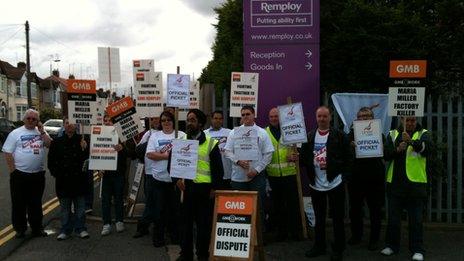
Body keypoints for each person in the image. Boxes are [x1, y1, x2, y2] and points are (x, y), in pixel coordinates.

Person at [300, 106, 350, 261]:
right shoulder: (309, 136)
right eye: (319, 116)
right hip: (316, 184)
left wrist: (337, 171)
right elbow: (304, 160)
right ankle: (319, 246)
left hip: (335, 182)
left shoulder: (340, 136)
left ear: (330, 117)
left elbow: (348, 159)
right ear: (316, 118)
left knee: (337, 218)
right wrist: (297, 158)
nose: (322, 119)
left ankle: (338, 248)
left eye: (325, 116)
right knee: (319, 218)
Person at [176, 109, 224, 261]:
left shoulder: (211, 143)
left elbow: (218, 170)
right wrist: (176, 180)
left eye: (192, 120)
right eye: (188, 120)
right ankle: (186, 254)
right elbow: (173, 165)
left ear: (200, 123)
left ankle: (202, 254)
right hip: (187, 189)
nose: (189, 123)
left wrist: (214, 188)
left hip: (204, 191)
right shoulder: (181, 142)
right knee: (185, 225)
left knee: (204, 226)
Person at [381, 117, 429, 261]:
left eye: (412, 120)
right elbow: (385, 154)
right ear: (402, 120)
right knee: (393, 219)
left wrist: (411, 142)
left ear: (416, 120)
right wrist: (397, 149)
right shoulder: (392, 134)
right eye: (407, 120)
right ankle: (391, 246)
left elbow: (427, 150)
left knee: (416, 220)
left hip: (415, 184)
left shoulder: (423, 133)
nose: (409, 123)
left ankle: (417, 249)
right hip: (395, 183)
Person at [2, 109, 52, 238]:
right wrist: (13, 171)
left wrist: (42, 130)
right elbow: (7, 152)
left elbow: (49, 144)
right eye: (28, 118)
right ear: (24, 119)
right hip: (20, 175)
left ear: (37, 121)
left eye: (34, 119)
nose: (31, 121)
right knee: (19, 203)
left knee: (35, 203)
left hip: (37, 175)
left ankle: (37, 228)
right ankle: (20, 229)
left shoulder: (40, 132)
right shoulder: (15, 133)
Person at [224, 105, 274, 230]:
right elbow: (227, 151)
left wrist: (256, 170)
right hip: (238, 177)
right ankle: (241, 236)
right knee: (240, 207)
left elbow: (268, 154)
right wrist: (238, 161)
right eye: (243, 114)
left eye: (248, 114)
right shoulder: (234, 132)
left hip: (256, 176)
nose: (245, 116)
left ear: (253, 115)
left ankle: (259, 237)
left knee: (258, 207)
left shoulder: (262, 133)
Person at [144, 111, 186, 247]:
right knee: (160, 211)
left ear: (173, 121)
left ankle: (175, 237)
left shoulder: (181, 135)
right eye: (163, 120)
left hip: (177, 180)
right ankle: (158, 238)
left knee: (176, 211)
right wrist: (168, 156)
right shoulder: (155, 136)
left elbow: (188, 154)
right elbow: (150, 154)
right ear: (160, 123)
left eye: (169, 120)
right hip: (159, 179)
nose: (166, 122)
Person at [347, 107, 385, 250]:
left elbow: (385, 151)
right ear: (357, 119)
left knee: (375, 210)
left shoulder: (379, 134)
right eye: (361, 116)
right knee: (355, 209)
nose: (364, 118)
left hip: (374, 178)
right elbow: (344, 150)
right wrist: (350, 145)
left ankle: (374, 239)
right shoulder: (350, 135)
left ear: (372, 118)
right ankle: (356, 236)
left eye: (367, 116)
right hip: (356, 178)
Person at [48, 117, 90, 240]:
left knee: (80, 208)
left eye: (72, 123)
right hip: (63, 181)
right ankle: (65, 230)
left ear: (76, 126)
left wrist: (85, 148)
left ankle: (81, 228)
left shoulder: (82, 140)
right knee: (65, 209)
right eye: (67, 123)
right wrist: (56, 173)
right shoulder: (57, 142)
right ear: (64, 125)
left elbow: (89, 159)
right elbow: (51, 161)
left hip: (79, 180)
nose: (69, 125)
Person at [265, 107, 301, 241]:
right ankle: (282, 232)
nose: (274, 119)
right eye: (271, 117)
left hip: (290, 173)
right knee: (278, 205)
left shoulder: (289, 130)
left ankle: (295, 232)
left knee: (293, 204)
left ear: (280, 117)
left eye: (276, 116)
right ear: (269, 118)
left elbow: (300, 148)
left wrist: (297, 155)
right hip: (273, 175)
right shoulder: (264, 133)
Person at [133, 116, 160, 238]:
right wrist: (147, 142)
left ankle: (158, 226)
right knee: (150, 200)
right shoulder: (148, 134)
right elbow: (137, 150)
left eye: (158, 119)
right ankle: (143, 226)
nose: (156, 121)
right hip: (149, 172)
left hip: (164, 173)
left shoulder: (169, 132)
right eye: (154, 119)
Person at [100, 115, 127, 236]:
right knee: (105, 200)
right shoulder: (99, 135)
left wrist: (122, 147)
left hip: (118, 173)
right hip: (105, 174)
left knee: (118, 198)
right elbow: (95, 153)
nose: (107, 122)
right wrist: (98, 168)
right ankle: (106, 223)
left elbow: (131, 152)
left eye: (110, 120)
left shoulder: (122, 136)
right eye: (105, 120)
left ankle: (119, 221)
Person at [204, 110, 232, 189]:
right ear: (211, 119)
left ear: (222, 120)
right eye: (215, 118)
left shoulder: (229, 132)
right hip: (210, 173)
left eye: (220, 119)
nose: (218, 120)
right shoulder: (205, 134)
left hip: (227, 173)